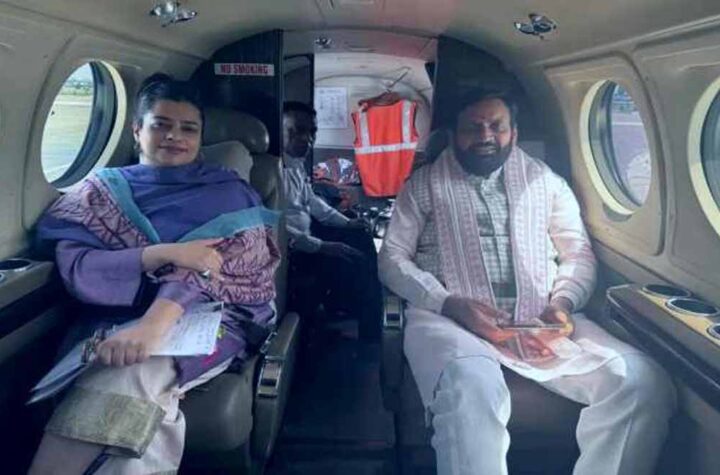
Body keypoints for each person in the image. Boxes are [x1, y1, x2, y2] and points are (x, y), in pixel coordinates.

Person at [378, 89, 676, 475]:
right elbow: (391, 259)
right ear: (453, 135)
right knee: (470, 383)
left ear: (514, 133)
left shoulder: (546, 183)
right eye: (473, 128)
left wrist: (563, 303)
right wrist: (448, 303)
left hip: (541, 318)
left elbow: (577, 254)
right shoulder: (423, 185)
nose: (486, 136)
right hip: (449, 317)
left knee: (640, 383)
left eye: (496, 126)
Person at [29, 74, 280, 475]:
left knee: (131, 375)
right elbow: (78, 263)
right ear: (136, 130)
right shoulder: (98, 191)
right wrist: (159, 254)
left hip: (211, 318)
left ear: (200, 137)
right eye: (161, 124)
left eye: (188, 128)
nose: (174, 136)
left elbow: (222, 267)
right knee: (127, 383)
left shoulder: (228, 191)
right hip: (113, 317)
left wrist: (153, 326)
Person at [282, 101, 382, 341]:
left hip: (307, 240)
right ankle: (362, 325)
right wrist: (323, 246)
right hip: (292, 251)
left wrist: (347, 223)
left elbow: (313, 203)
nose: (307, 139)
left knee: (359, 234)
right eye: (297, 131)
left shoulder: (295, 166)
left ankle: (363, 318)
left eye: (311, 132)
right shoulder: (273, 170)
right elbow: (281, 232)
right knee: (351, 256)